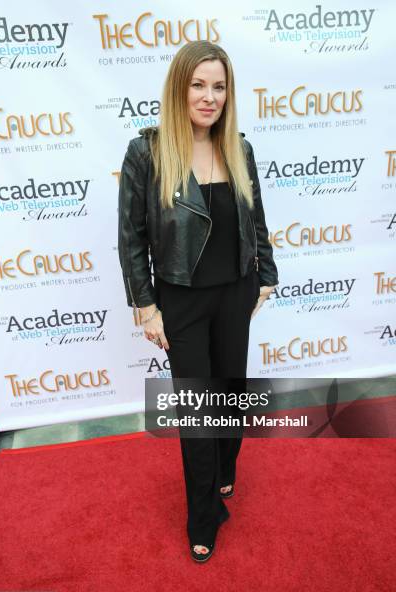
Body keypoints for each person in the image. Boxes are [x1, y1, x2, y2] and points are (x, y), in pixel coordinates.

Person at [118, 40, 279, 562]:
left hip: (236, 293)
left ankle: (226, 470)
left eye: (219, 86)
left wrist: (266, 276)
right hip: (180, 301)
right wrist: (146, 306)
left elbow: (255, 220)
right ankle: (203, 513)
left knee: (230, 394)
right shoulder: (146, 152)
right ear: (179, 87)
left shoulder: (240, 148)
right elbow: (132, 238)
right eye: (198, 85)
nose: (209, 97)